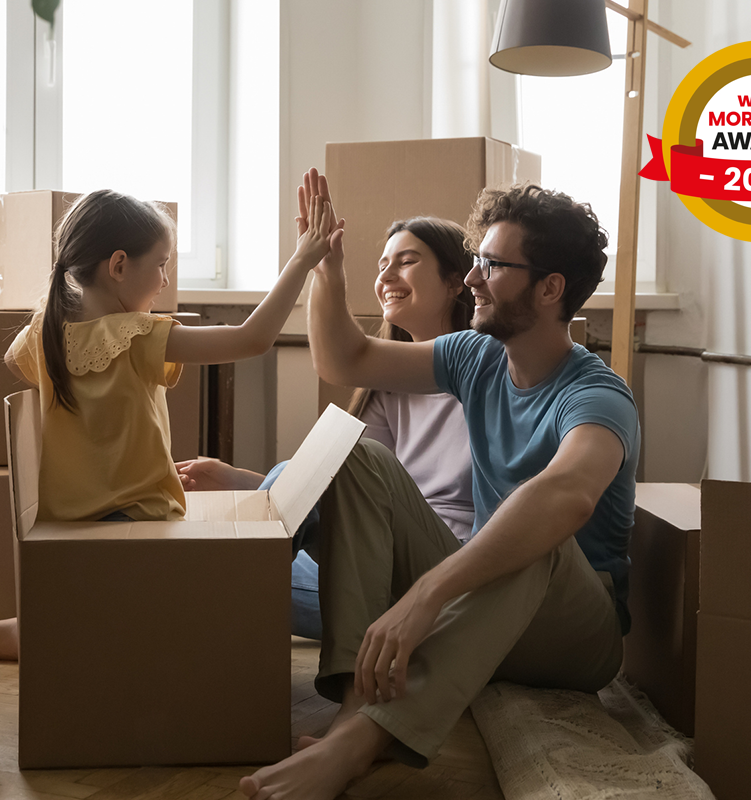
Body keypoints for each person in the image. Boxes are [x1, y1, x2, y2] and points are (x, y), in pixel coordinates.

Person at [240, 181, 640, 800]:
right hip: (489, 607)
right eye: (477, 260)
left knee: (533, 532)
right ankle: (355, 699)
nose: (475, 277)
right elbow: (345, 360)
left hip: (575, 636)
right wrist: (328, 269)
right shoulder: (474, 356)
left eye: (494, 264)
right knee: (356, 456)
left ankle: (361, 743)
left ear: (550, 287)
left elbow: (568, 495)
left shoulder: (596, 394)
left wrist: (427, 593)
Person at [0, 181, 339, 660]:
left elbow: (24, 364)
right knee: (277, 538)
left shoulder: (44, 332)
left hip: (70, 533)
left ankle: (26, 629)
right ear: (118, 265)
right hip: (142, 526)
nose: (163, 281)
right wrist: (302, 260)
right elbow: (253, 338)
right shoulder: (134, 336)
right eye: (160, 264)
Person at [177, 211, 477, 639]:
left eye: (406, 261)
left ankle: (217, 606)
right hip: (380, 558)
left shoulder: (486, 370)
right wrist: (244, 482)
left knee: (243, 577)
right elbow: (349, 487)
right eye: (382, 265)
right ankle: (222, 593)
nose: (387, 274)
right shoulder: (387, 385)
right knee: (217, 558)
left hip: (443, 573)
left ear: (455, 281)